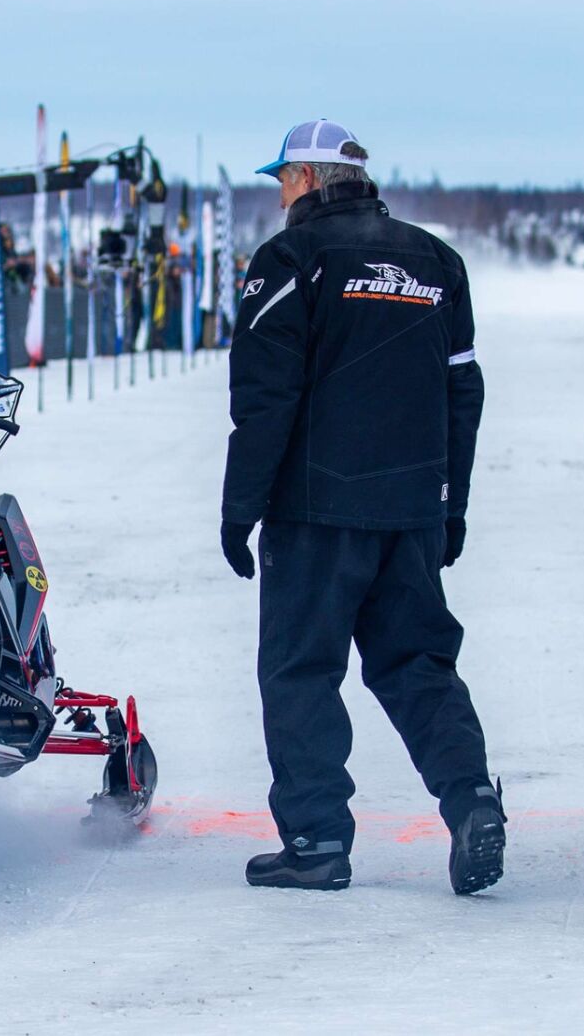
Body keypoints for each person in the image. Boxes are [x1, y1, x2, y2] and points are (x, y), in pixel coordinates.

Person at [222, 120, 502, 895]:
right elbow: (463, 392)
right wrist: (450, 507)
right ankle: (474, 802)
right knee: (419, 666)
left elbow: (264, 397)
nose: (280, 194)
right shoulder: (436, 259)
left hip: (315, 514)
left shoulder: (290, 258)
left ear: (311, 179)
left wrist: (240, 509)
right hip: (410, 512)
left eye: (284, 179)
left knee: (301, 672)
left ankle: (315, 841)